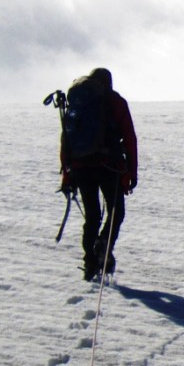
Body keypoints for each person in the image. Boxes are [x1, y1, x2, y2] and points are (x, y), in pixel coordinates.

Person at [59, 68, 138, 281]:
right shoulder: (115, 101)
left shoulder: (77, 103)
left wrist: (67, 175)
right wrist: (131, 172)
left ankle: (90, 263)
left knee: (92, 216)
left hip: (81, 167)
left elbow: (66, 139)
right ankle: (104, 244)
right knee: (116, 212)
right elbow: (129, 138)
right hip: (109, 165)